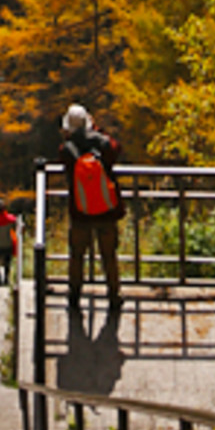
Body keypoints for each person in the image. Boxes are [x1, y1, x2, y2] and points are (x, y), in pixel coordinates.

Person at [59, 102, 123, 311]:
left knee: (77, 255)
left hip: (80, 211)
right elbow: (116, 150)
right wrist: (97, 131)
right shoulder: (104, 143)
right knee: (109, 255)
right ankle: (114, 295)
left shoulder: (67, 150)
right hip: (106, 209)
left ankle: (75, 295)